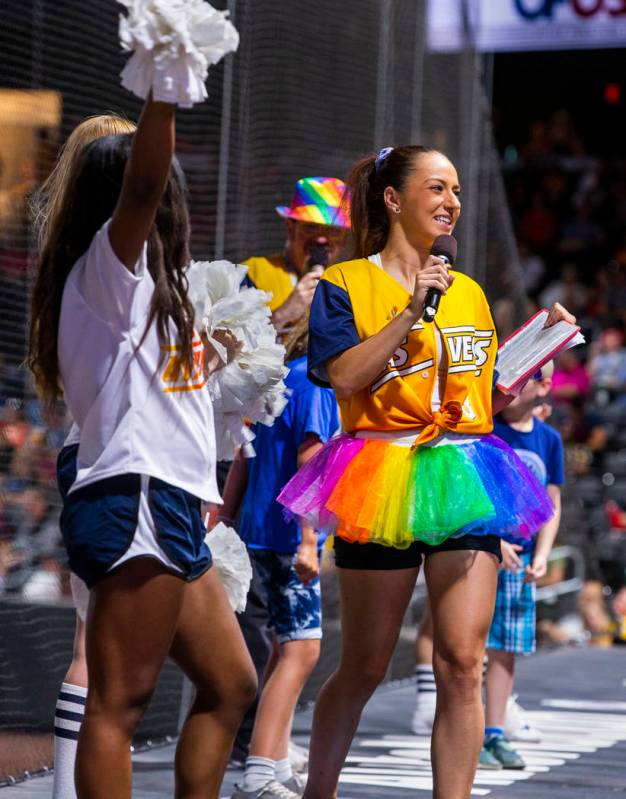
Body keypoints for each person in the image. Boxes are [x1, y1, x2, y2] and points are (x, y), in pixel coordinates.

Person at [277, 145, 574, 799]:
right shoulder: (344, 284)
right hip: (379, 470)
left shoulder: (468, 292)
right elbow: (343, 377)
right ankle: (317, 793)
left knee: (463, 662)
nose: (452, 201)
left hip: (466, 471)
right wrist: (412, 309)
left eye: (458, 190)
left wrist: (539, 343)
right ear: (392, 199)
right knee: (364, 664)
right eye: (437, 187)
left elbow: (485, 393)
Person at [27, 92, 257, 799]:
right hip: (134, 501)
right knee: (118, 704)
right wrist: (165, 86)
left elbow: (158, 391)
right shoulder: (106, 270)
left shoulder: (147, 292)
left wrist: (222, 355)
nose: (174, 206)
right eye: (168, 195)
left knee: (231, 683)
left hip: (170, 506)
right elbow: (145, 182)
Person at [29, 113, 136, 799]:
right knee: (95, 652)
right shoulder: (104, 263)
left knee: (99, 649)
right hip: (111, 461)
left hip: (103, 455)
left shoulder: (73, 254)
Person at [220, 316, 339, 799]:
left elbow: (244, 455)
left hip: (259, 531)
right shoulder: (316, 385)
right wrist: (309, 541)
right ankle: (259, 774)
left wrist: (226, 521)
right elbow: (310, 461)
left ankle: (276, 758)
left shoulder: (280, 378)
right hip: (291, 539)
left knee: (283, 647)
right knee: (301, 650)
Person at [481, 363, 564, 770]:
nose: (510, 382)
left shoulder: (549, 440)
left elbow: (551, 503)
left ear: (545, 385)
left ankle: (494, 733)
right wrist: (492, 540)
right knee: (467, 648)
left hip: (522, 559)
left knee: (505, 650)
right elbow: (469, 490)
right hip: (480, 551)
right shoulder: (487, 428)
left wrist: (544, 553)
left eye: (526, 374)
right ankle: (465, 728)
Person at [243, 177, 349, 333]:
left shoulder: (351, 287)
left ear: (345, 237)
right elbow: (229, 348)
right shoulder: (254, 273)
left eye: (333, 232)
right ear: (290, 228)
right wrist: (283, 315)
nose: (321, 239)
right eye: (311, 227)